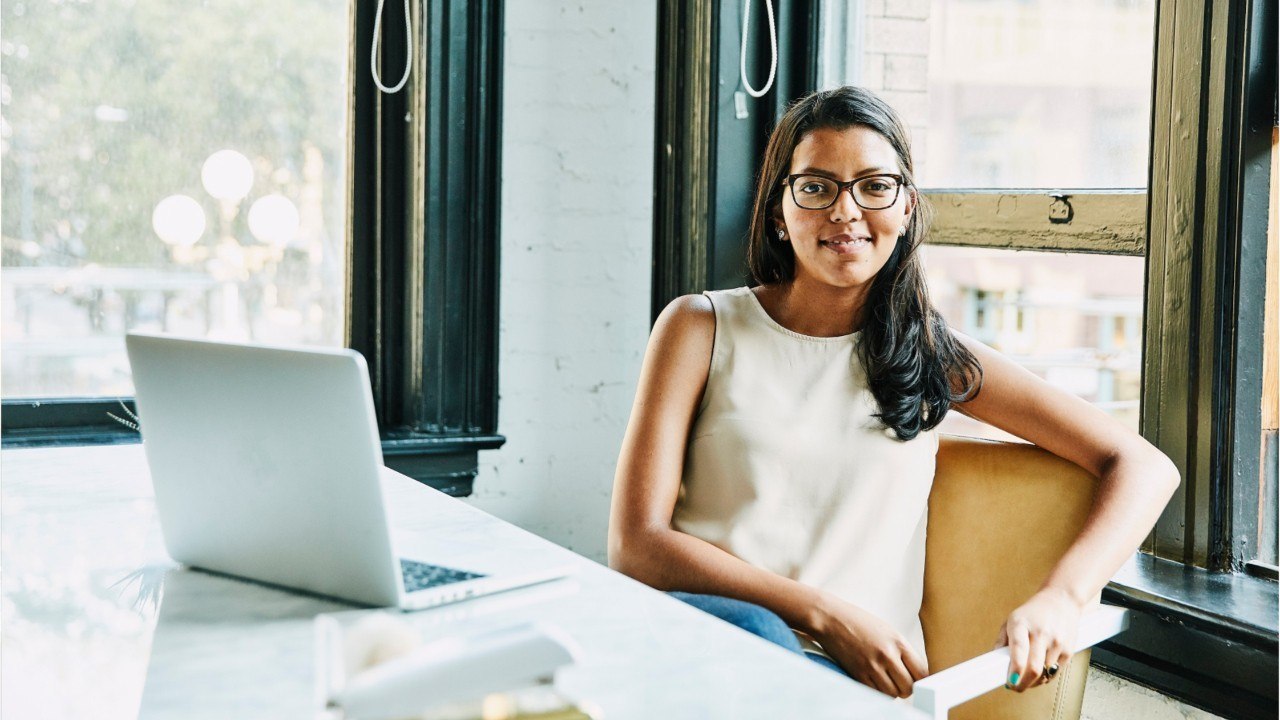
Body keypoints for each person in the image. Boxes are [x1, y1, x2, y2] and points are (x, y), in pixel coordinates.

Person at [607, 85, 1179, 700]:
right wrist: (821, 614)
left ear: (906, 208)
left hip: (852, 688)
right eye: (816, 187)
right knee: (750, 628)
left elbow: (1143, 466)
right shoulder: (699, 327)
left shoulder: (930, 353)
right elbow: (637, 544)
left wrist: (1063, 597)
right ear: (779, 209)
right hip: (700, 652)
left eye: (874, 186)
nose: (846, 212)